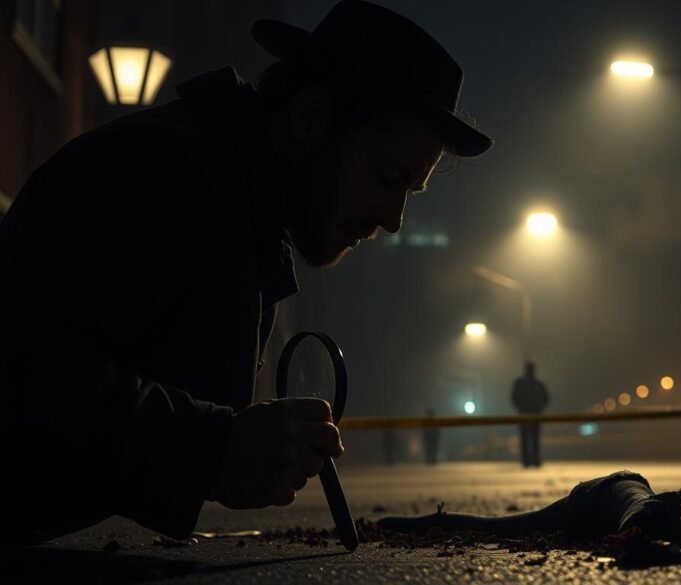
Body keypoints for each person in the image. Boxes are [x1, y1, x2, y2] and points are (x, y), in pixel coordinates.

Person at [0, 0, 491, 545]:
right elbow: (21, 369)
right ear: (309, 117)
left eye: (409, 191)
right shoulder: (164, 174)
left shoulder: (241, 206)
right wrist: (215, 448)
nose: (393, 218)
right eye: (384, 175)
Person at [511, 362, 549, 467]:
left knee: (530, 438)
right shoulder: (537, 384)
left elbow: (514, 398)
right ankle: (530, 460)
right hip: (530, 414)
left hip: (528, 414)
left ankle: (529, 461)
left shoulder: (523, 383)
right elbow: (545, 399)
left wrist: (522, 408)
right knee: (531, 438)